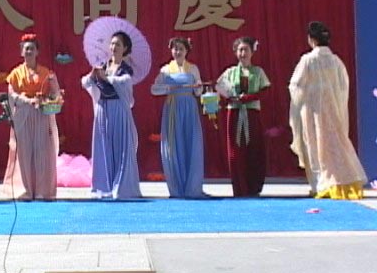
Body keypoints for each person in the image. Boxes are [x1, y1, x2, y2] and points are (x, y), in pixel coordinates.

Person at [289, 21, 367, 199]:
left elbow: (296, 85)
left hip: (312, 112)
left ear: (311, 39)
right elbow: (343, 86)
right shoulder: (336, 61)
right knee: (335, 144)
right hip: (332, 111)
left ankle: (320, 184)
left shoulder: (308, 60)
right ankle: (341, 181)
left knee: (315, 145)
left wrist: (302, 101)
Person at [81, 31, 141, 199]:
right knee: (103, 147)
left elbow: (125, 83)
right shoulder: (103, 65)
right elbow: (86, 82)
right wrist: (93, 76)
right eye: (112, 43)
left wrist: (108, 79)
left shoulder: (125, 69)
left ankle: (121, 187)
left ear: (125, 48)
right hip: (103, 108)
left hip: (118, 110)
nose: (114, 47)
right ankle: (103, 185)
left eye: (118, 44)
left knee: (120, 148)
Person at [3, 33, 62, 200]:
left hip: (41, 114)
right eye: (26, 49)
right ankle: (25, 190)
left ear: (37, 52)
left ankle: (43, 190)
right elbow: (11, 95)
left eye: (31, 49)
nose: (28, 52)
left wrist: (49, 96)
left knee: (42, 152)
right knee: (24, 152)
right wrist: (26, 100)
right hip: (23, 114)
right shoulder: (15, 73)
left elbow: (55, 93)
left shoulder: (46, 73)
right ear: (21, 51)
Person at [216, 37, 271, 197]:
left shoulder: (258, 72)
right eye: (240, 50)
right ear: (235, 52)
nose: (243, 53)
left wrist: (250, 97)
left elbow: (266, 91)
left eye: (246, 49)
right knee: (236, 152)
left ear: (252, 52)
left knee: (254, 150)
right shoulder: (230, 72)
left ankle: (254, 187)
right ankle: (239, 188)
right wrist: (230, 98)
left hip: (252, 114)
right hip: (234, 114)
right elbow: (220, 88)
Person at [151, 37, 205, 199]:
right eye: (175, 49)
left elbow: (198, 92)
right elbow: (154, 89)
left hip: (189, 109)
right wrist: (168, 88)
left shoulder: (193, 69)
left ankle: (192, 187)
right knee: (173, 146)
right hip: (173, 108)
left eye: (181, 49)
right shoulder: (165, 70)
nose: (178, 52)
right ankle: (176, 187)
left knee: (191, 143)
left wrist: (198, 87)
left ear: (187, 51)